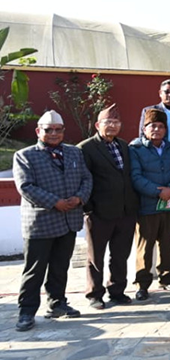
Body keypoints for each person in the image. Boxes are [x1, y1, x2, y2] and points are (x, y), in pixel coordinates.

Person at [13, 110, 92, 332]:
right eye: (48, 130)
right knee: (34, 270)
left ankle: (57, 304)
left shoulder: (74, 152)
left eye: (58, 129)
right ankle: (26, 312)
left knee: (60, 267)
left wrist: (80, 198)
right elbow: (26, 187)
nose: (54, 133)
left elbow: (87, 178)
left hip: (68, 220)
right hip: (41, 222)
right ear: (38, 131)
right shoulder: (25, 155)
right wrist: (55, 202)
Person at [78, 104, 138, 311]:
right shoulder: (86, 148)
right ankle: (94, 294)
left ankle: (117, 290)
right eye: (108, 122)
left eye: (116, 122)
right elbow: (82, 180)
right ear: (98, 125)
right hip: (99, 213)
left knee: (120, 255)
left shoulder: (124, 146)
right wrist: (89, 208)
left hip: (126, 211)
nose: (112, 126)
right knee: (96, 257)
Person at [130, 108, 170, 300]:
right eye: (152, 126)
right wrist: (157, 191)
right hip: (147, 204)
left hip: (169, 204)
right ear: (144, 128)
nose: (156, 129)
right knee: (145, 246)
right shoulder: (135, 149)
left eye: (161, 126)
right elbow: (135, 176)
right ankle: (142, 283)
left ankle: (167, 278)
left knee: (167, 242)